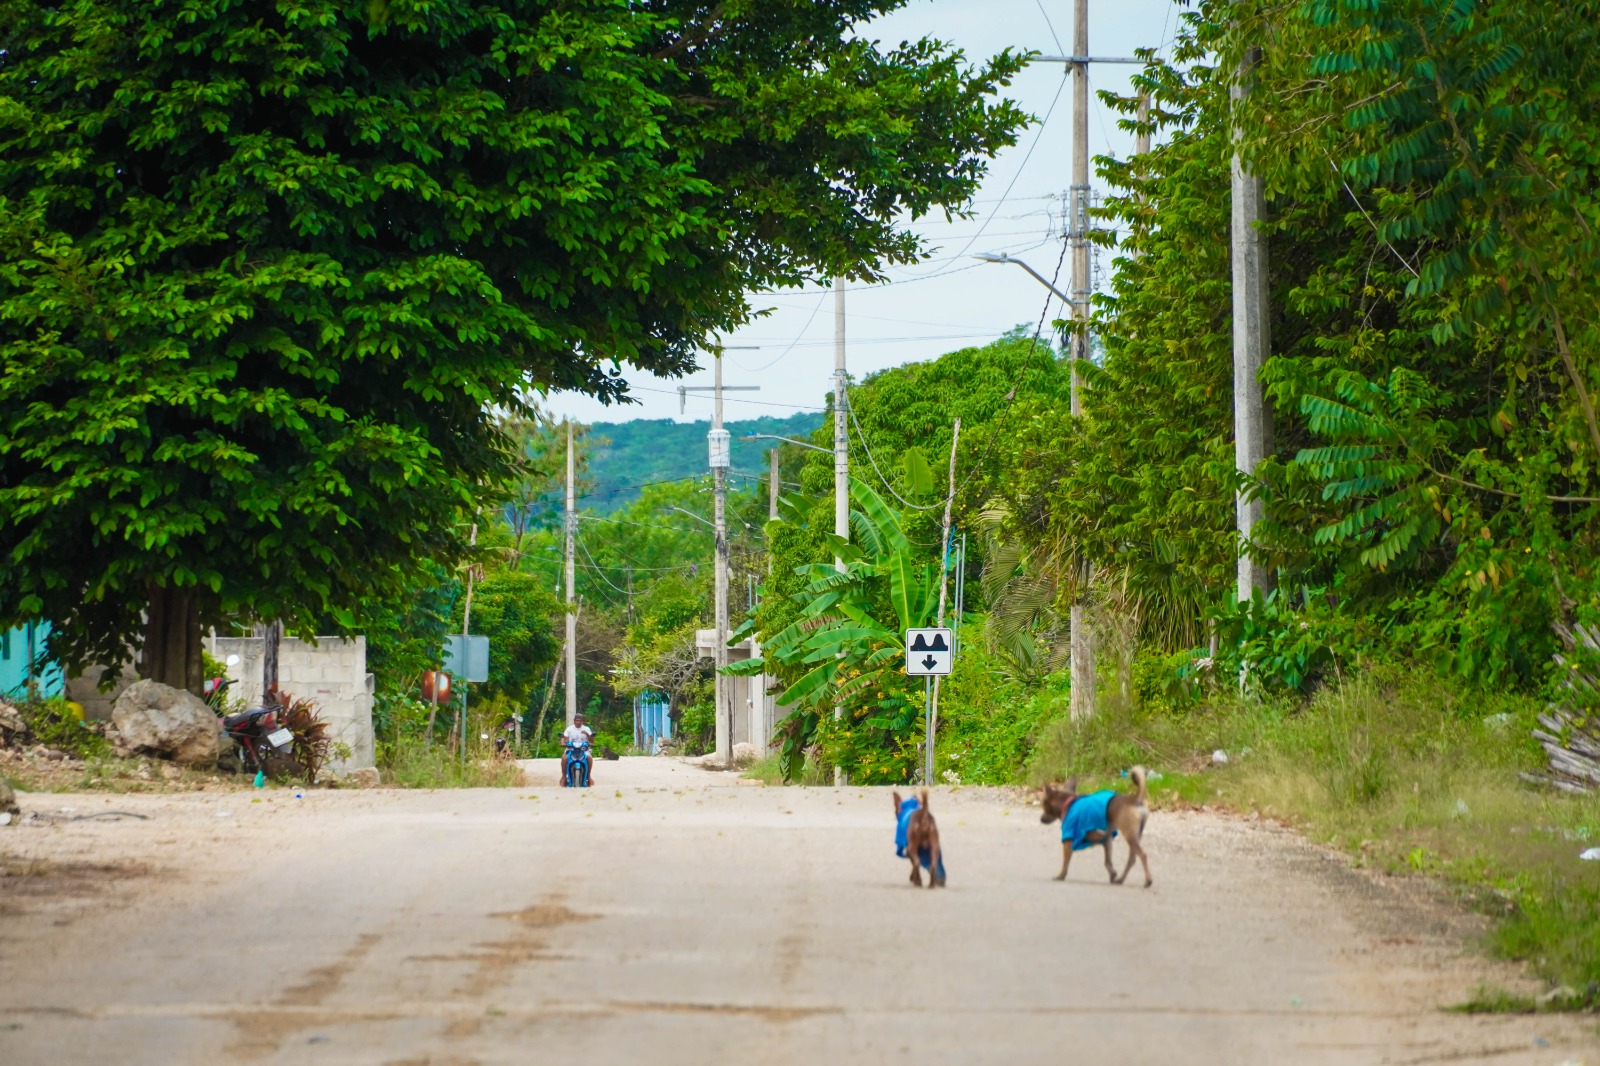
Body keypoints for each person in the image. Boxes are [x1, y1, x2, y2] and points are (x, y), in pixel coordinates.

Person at [561, 713, 594, 785]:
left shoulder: (586, 729)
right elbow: (564, 737)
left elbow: (592, 741)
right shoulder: (569, 729)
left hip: (584, 749)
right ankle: (564, 777)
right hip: (571, 749)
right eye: (576, 720)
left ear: (582, 721)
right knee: (564, 758)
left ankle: (588, 776)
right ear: (574, 721)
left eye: (580, 720)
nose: (578, 722)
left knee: (589, 758)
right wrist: (563, 743)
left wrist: (587, 734)